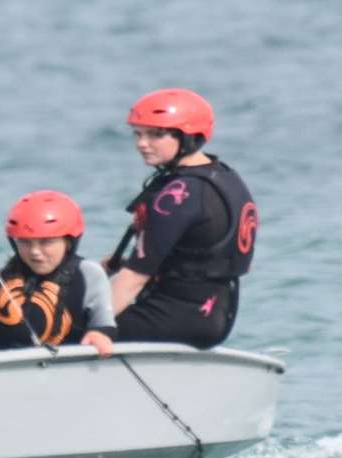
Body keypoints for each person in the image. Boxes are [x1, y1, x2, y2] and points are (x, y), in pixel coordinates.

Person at [105, 88, 257, 349]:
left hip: (176, 318)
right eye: (138, 134)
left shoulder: (179, 195)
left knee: (61, 327)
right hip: (215, 313)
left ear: (188, 137)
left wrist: (94, 326)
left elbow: (134, 279)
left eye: (156, 134)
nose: (142, 143)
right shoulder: (222, 177)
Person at [0, 190, 117, 357]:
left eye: (46, 242)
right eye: (24, 242)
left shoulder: (89, 273)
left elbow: (104, 326)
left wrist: (100, 335)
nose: (34, 251)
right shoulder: (0, 277)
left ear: (68, 241)